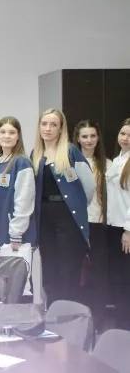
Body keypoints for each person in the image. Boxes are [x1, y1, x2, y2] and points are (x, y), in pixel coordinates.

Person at [32, 108, 94, 305]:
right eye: (44, 124)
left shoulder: (70, 152)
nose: (48, 128)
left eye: (53, 125)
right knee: (50, 268)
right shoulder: (36, 154)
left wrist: (77, 205)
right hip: (45, 218)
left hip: (67, 217)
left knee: (68, 268)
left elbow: (89, 187)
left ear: (61, 129)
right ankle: (52, 311)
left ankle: (68, 314)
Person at [73, 119, 111, 322]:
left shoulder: (108, 165)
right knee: (76, 273)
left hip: (99, 224)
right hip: (75, 225)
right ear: (77, 139)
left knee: (99, 273)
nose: (89, 140)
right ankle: (77, 318)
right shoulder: (70, 163)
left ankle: (98, 319)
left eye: (93, 136)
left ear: (98, 138)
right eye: (84, 136)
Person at [0, 117, 36, 256]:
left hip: (13, 236)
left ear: (18, 136)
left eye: (12, 132)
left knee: (13, 270)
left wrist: (16, 233)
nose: (7, 136)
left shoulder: (22, 162)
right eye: (2, 132)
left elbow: (24, 201)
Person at [106, 118, 130, 329]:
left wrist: (128, 230)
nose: (125, 138)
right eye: (123, 133)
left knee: (125, 278)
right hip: (113, 226)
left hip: (126, 229)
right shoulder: (116, 160)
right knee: (118, 276)